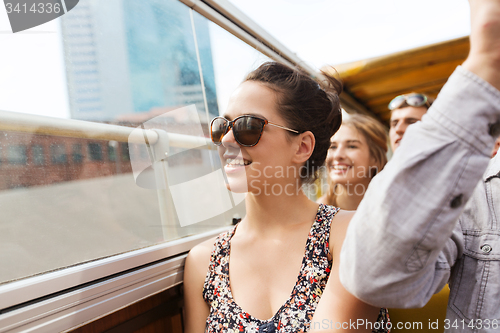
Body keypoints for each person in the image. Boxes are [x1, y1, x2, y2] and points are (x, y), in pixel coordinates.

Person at [184, 62, 390, 332]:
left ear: (302, 147)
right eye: (222, 127)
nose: (226, 140)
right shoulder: (204, 261)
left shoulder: (351, 234)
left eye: (248, 126)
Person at [338, 0, 500, 331]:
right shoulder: (472, 193)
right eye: (395, 124)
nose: (400, 131)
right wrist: (486, 62)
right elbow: (376, 275)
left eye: (413, 124)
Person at [318, 113, 388, 210]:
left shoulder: (393, 210)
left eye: (351, 146)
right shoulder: (314, 214)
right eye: (333, 147)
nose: (338, 155)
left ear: (375, 158)